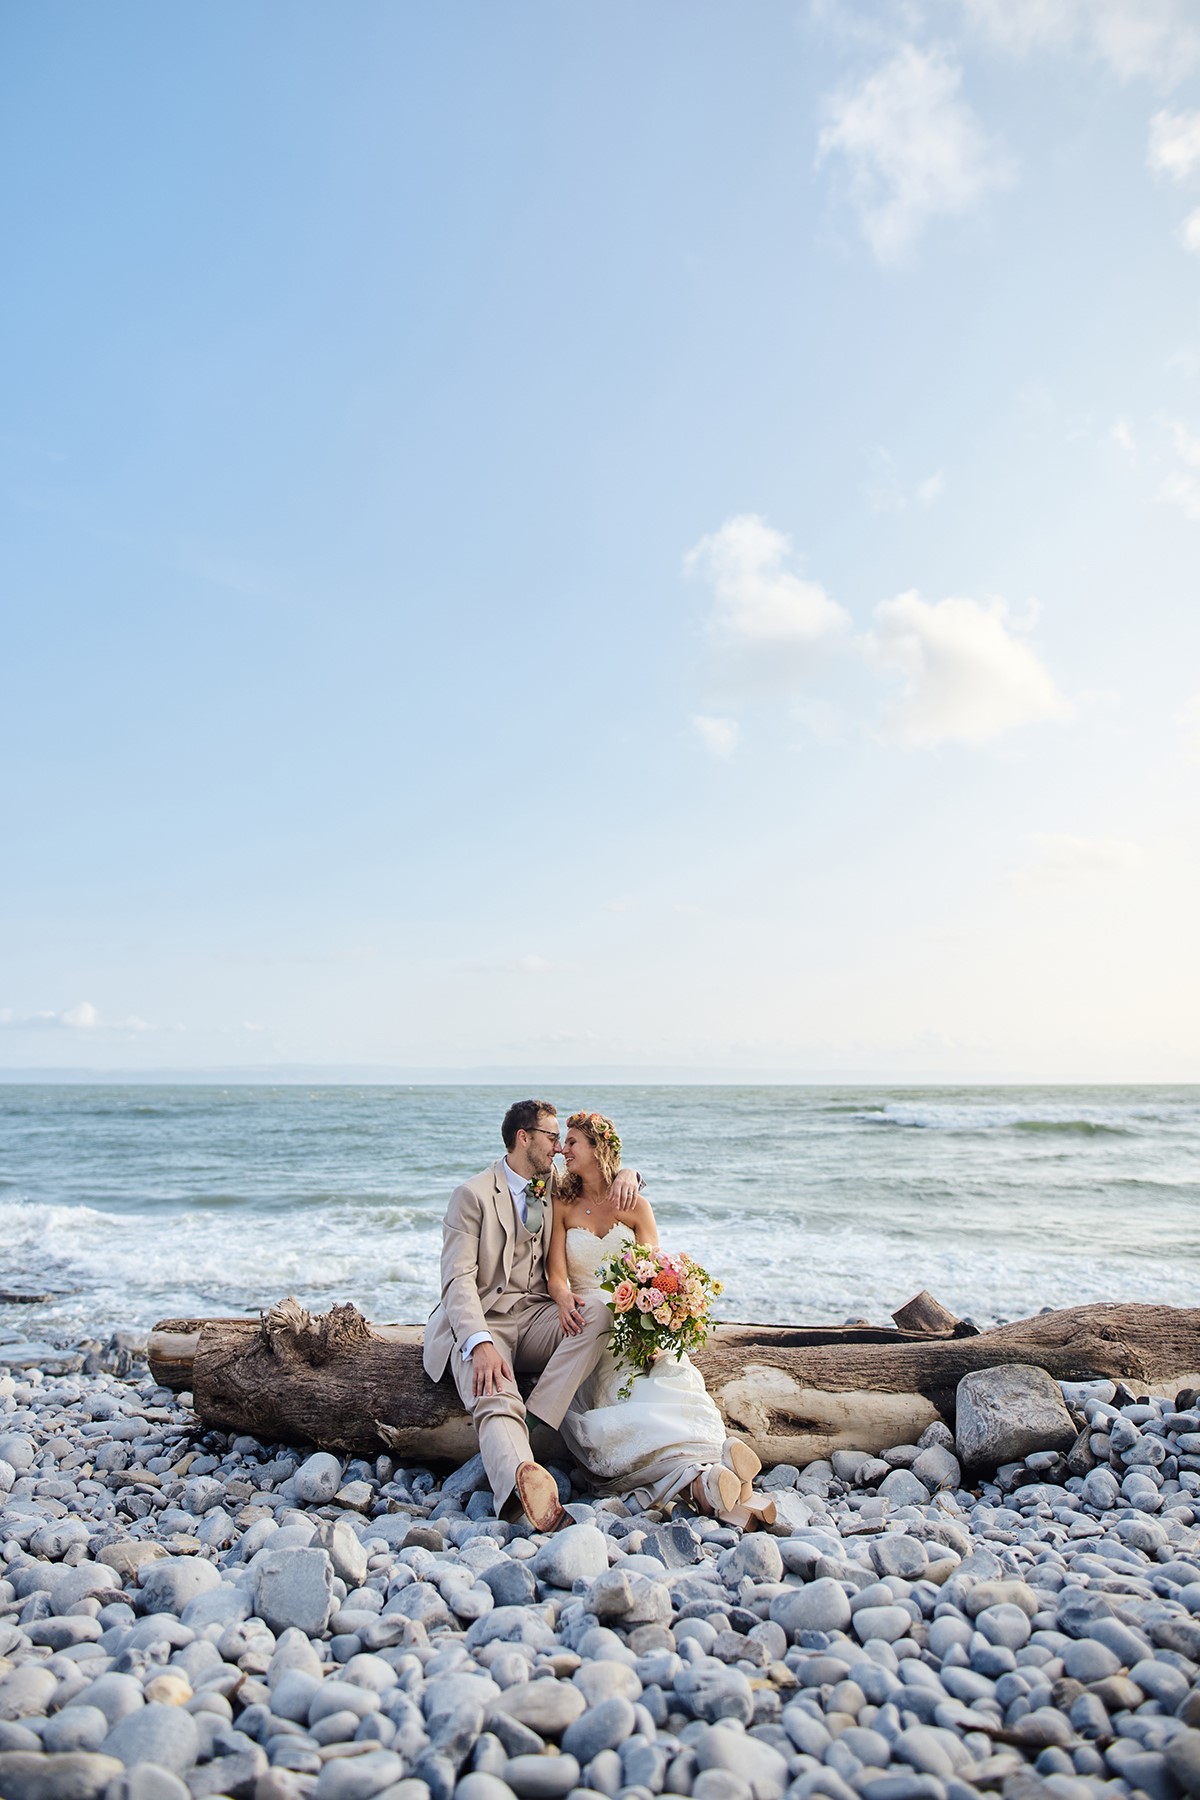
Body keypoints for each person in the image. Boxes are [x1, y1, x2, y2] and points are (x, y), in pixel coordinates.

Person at [548, 1109, 776, 1527]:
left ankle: (709, 1474)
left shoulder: (636, 1206)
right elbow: (556, 1274)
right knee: (628, 1403)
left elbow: (654, 1274)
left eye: (573, 1142)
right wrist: (563, 1300)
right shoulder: (561, 1205)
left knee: (669, 1386)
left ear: (598, 1149)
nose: (564, 1149)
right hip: (588, 1331)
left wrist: (654, 1333)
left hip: (636, 1328)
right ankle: (710, 1482)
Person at [423, 1098, 641, 1531]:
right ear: (524, 1138)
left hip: (538, 1317)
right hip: (484, 1321)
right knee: (494, 1391)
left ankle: (539, 1421)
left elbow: (599, 1180)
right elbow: (456, 1282)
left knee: (598, 1312)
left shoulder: (552, 1182)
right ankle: (523, 1486)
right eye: (552, 1137)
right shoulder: (472, 1195)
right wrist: (479, 1344)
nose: (560, 1148)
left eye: (562, 1139)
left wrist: (633, 1175)